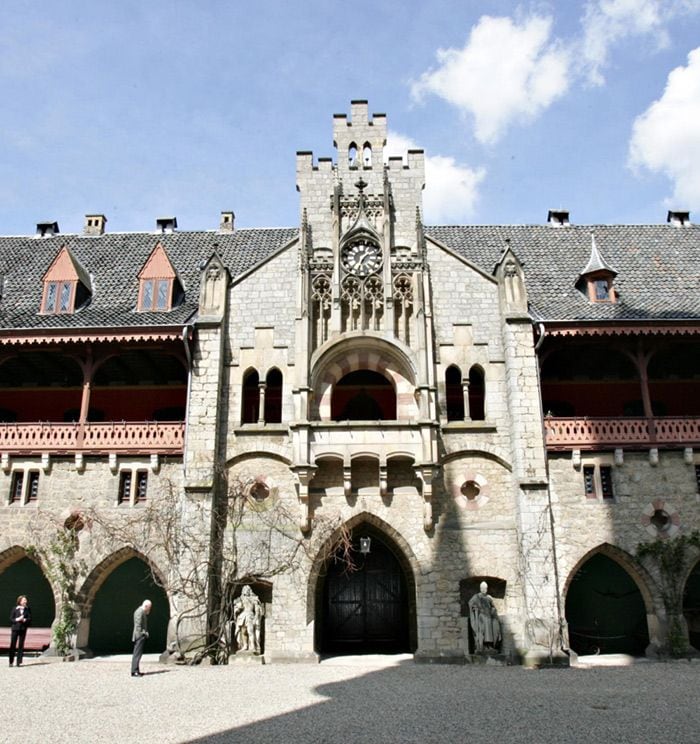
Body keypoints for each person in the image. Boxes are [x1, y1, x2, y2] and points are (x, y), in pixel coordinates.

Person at [468, 581, 502, 653]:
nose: (484, 589)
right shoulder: (476, 596)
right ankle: (483, 646)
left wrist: (493, 610)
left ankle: (490, 646)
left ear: (487, 589)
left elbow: (493, 607)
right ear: (480, 588)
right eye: (482, 588)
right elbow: (470, 603)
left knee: (493, 627)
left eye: (485, 588)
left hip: (489, 617)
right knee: (484, 626)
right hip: (481, 617)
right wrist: (475, 607)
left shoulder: (489, 597)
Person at [233, 585, 264, 654]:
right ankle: (245, 646)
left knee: (250, 631)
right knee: (243, 632)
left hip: (250, 615)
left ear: (250, 591)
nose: (246, 591)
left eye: (247, 589)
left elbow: (257, 611)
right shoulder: (240, 599)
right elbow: (238, 609)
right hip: (242, 616)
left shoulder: (254, 599)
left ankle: (252, 646)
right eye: (244, 589)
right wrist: (237, 609)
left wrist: (255, 619)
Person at [130, 599, 152, 677]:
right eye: (149, 607)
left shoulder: (141, 612)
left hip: (140, 635)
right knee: (137, 654)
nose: (149, 609)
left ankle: (136, 670)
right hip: (139, 636)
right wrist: (143, 633)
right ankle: (134, 671)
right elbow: (138, 625)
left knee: (138, 654)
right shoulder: (139, 612)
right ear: (146, 606)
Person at [9, 595, 31, 667]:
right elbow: (11, 619)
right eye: (24, 600)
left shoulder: (27, 609)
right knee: (13, 644)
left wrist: (24, 620)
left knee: (21, 645)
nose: (25, 601)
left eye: (26, 600)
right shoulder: (15, 609)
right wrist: (18, 619)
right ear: (20, 601)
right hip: (15, 629)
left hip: (23, 629)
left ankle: (19, 662)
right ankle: (11, 661)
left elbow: (29, 618)